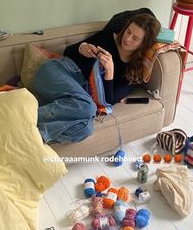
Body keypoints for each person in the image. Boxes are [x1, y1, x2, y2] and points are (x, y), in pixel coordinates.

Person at [33, 13, 161, 144]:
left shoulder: (134, 71)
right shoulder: (108, 37)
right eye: (128, 31)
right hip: (57, 71)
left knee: (86, 128)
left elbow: (109, 100)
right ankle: (25, 117)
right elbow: (67, 51)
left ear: (143, 44)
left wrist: (109, 71)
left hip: (69, 98)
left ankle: (33, 133)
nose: (127, 39)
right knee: (88, 108)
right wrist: (81, 47)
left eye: (135, 38)